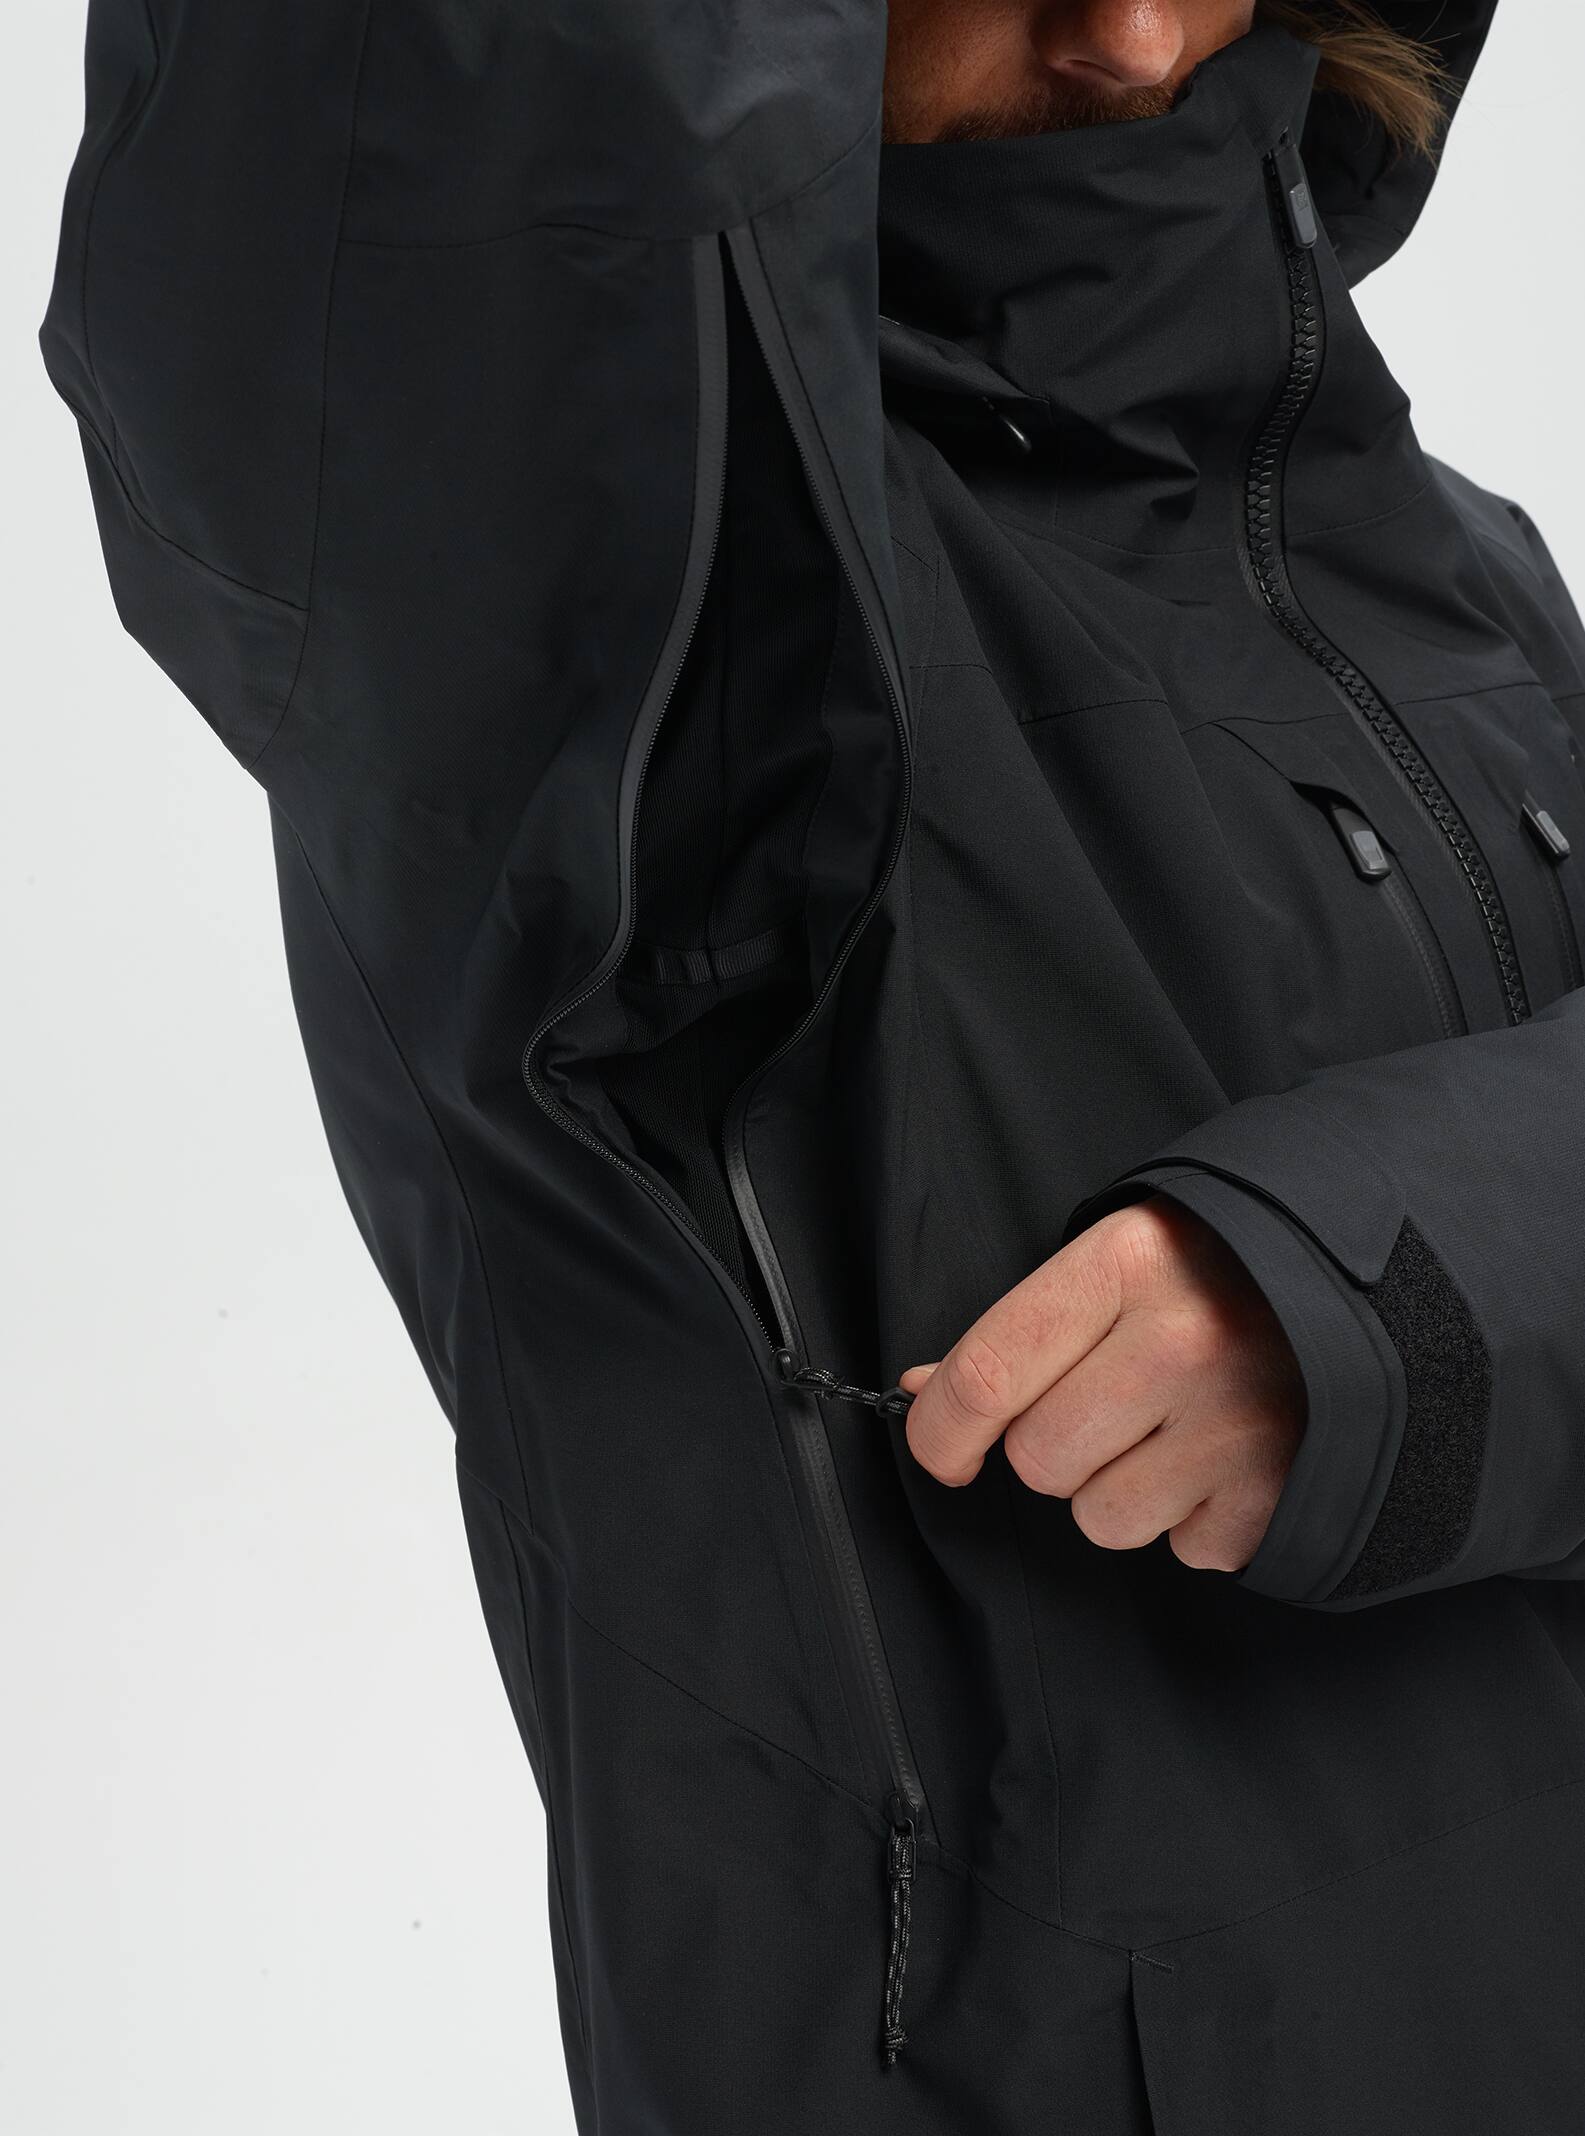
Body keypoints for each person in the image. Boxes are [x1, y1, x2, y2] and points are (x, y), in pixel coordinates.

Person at [40, 0, 1585, 2128]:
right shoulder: (612, 619)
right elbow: (391, 154)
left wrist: (1405, 1308)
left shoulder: (1441, 557)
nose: (1134, 36)